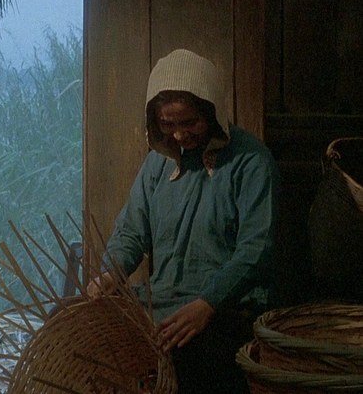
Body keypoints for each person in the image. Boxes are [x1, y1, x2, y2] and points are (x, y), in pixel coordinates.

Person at [85, 49, 279, 393]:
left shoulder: (251, 162)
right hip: (161, 302)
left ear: (212, 112)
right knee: (77, 327)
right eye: (168, 125)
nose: (178, 135)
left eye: (189, 123)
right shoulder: (157, 164)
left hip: (225, 310)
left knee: (189, 355)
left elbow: (256, 249)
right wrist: (111, 274)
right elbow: (131, 232)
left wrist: (208, 304)